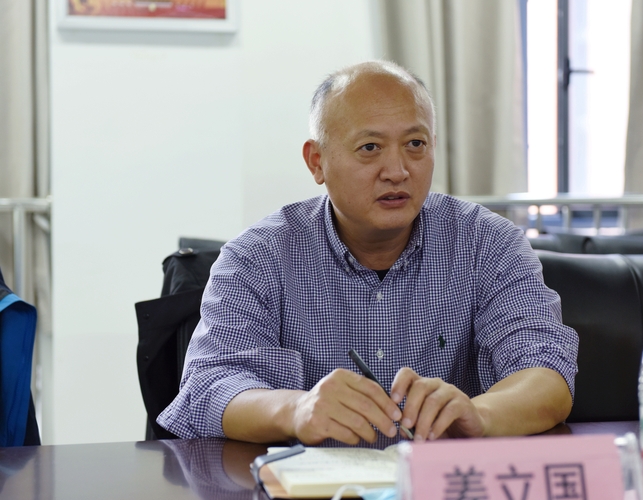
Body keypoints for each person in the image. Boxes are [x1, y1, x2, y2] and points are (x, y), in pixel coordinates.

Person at [157, 60, 578, 445]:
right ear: (316, 161)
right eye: (370, 148)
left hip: (440, 483)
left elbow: (547, 372)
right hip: (308, 485)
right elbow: (210, 385)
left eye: (415, 144)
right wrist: (296, 409)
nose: (397, 171)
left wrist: (478, 414)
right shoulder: (257, 257)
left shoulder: (489, 244)